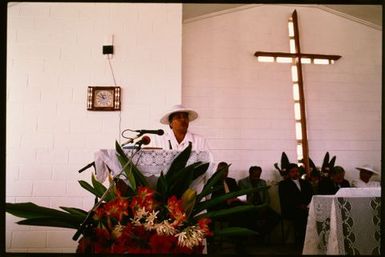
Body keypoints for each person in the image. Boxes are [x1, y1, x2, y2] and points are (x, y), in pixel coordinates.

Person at [238, 166, 281, 237]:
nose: (257, 177)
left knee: (276, 217)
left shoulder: (262, 182)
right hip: (249, 206)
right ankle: (256, 235)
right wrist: (252, 206)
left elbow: (267, 197)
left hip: (261, 206)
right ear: (250, 174)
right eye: (255, 175)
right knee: (249, 219)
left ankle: (261, 234)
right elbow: (242, 199)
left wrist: (264, 206)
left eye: (258, 175)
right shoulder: (242, 182)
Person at [278, 163, 313, 247]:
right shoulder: (283, 184)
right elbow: (285, 199)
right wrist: (299, 205)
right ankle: (300, 242)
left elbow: (311, 195)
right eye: (292, 172)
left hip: (305, 207)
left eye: (297, 171)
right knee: (301, 216)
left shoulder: (305, 183)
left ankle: (310, 241)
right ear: (289, 173)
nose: (295, 173)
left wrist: (307, 205)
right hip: (291, 209)